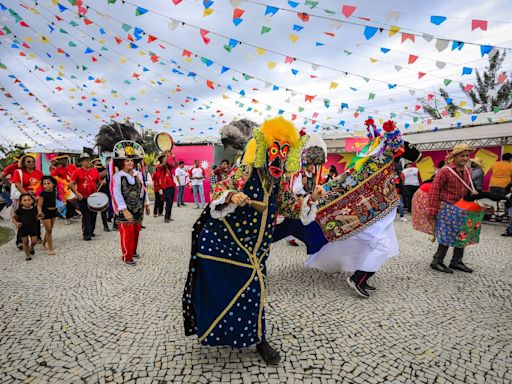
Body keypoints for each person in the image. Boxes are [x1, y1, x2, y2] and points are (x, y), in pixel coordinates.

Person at [183, 117, 323, 365]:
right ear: (263, 149)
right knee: (238, 288)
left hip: (257, 247)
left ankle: (257, 337)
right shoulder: (246, 170)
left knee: (256, 290)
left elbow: (288, 205)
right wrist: (232, 195)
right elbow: (218, 189)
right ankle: (250, 337)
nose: (278, 156)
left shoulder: (277, 179)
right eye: (274, 149)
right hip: (229, 241)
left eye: (283, 150)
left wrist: (310, 198)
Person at [428, 144, 479, 273]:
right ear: (454, 156)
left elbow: (467, 188)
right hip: (447, 207)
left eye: (467, 155)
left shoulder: (468, 170)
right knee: (446, 235)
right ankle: (437, 261)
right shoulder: (445, 171)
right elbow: (434, 190)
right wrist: (432, 210)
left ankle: (456, 261)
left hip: (462, 207)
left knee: (463, 233)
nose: (465, 158)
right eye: (462, 155)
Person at [110, 141, 150, 266]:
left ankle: (133, 251)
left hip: (138, 208)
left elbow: (143, 189)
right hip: (125, 210)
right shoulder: (117, 176)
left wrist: (147, 203)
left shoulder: (138, 174)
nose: (130, 162)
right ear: (122, 162)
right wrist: (124, 210)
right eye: (127, 160)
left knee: (136, 232)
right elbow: (116, 194)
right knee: (127, 234)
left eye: (132, 160)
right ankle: (126, 257)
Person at [11, 155, 44, 248]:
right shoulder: (19, 172)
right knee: (23, 218)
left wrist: (38, 195)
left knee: (36, 217)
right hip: (24, 198)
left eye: (33, 161)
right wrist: (27, 196)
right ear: (23, 163)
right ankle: (20, 240)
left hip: (36, 198)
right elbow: (17, 185)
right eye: (28, 161)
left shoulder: (39, 172)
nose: (31, 163)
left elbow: (42, 184)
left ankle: (37, 236)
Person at [70, 153, 100, 241]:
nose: (87, 162)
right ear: (82, 162)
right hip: (83, 197)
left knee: (93, 214)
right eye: (85, 160)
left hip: (93, 196)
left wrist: (102, 182)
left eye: (88, 160)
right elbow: (71, 183)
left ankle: (91, 231)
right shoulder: (77, 171)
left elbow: (98, 181)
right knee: (86, 215)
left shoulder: (95, 171)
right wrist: (76, 193)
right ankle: (86, 233)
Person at [51, 155, 79, 224]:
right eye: (60, 160)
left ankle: (71, 215)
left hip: (74, 186)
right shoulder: (57, 169)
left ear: (66, 159)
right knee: (70, 202)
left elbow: (77, 175)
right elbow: (53, 178)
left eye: (63, 159)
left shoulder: (72, 166)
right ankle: (67, 217)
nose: (61, 161)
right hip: (65, 189)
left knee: (73, 202)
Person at [12, 193, 39, 260]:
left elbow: (38, 216)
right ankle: (28, 255)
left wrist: (39, 217)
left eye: (28, 200)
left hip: (33, 227)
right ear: (21, 202)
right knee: (25, 242)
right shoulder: (19, 211)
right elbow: (13, 218)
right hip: (23, 228)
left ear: (32, 201)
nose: (27, 201)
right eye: (25, 200)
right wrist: (16, 223)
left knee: (34, 241)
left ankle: (31, 247)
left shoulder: (35, 209)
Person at [37, 176, 59, 255]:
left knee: (49, 230)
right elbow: (39, 205)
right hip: (45, 212)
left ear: (53, 184)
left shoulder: (55, 191)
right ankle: (50, 248)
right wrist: (40, 212)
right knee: (49, 230)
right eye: (44, 184)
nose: (46, 185)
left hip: (53, 211)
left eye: (48, 183)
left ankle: (43, 244)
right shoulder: (43, 194)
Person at [157, 152, 178, 222]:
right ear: (161, 159)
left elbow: (176, 164)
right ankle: (166, 218)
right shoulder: (159, 166)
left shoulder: (168, 166)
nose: (166, 158)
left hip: (171, 186)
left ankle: (168, 217)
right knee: (168, 202)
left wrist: (174, 158)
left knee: (171, 202)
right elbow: (163, 163)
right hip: (166, 187)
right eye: (164, 157)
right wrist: (166, 155)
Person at [92, 158, 110, 232]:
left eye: (99, 161)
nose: (98, 162)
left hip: (106, 190)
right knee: (99, 210)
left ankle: (108, 225)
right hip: (98, 191)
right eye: (96, 161)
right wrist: (108, 169)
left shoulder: (103, 168)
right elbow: (98, 176)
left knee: (106, 209)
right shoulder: (93, 169)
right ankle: (102, 226)